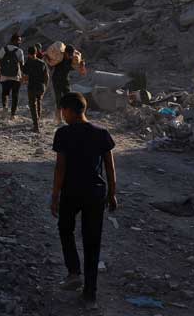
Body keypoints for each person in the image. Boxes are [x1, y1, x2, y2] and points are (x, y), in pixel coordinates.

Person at [50, 92, 117, 309]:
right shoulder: (102, 133)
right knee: (92, 242)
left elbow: (60, 168)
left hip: (71, 192)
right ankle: (90, 295)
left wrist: (55, 195)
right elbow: (109, 167)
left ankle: (73, 272)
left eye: (63, 111)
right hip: (96, 193)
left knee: (65, 229)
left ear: (69, 111)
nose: (63, 115)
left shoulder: (63, 134)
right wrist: (112, 193)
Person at [52, 45, 86, 124]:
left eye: (71, 54)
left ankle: (69, 116)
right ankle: (59, 118)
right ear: (65, 53)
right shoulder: (59, 58)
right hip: (56, 80)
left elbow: (79, 69)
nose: (70, 56)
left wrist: (81, 65)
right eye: (69, 54)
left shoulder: (71, 60)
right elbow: (51, 64)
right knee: (58, 99)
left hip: (65, 80)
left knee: (69, 98)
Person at [0, 33, 25, 119]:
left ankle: (5, 107)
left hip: (4, 76)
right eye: (19, 41)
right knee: (15, 95)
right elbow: (22, 65)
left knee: (5, 93)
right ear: (14, 41)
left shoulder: (3, 49)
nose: (20, 42)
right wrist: (23, 76)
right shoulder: (19, 51)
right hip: (16, 77)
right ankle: (13, 114)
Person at [24, 44, 51, 132]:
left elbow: (25, 74)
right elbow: (47, 76)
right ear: (36, 52)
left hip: (32, 86)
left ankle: (36, 125)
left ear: (28, 54)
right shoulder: (42, 63)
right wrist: (45, 86)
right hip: (41, 86)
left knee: (32, 105)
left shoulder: (28, 63)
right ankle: (38, 119)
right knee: (39, 102)